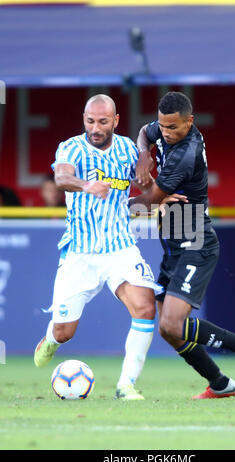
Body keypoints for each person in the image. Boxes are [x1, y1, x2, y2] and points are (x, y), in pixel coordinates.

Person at [130, 91, 235, 399]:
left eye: (173, 128)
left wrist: (116, 202)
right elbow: (145, 132)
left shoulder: (187, 153)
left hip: (194, 238)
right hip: (172, 235)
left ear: (190, 122)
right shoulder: (165, 129)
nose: (166, 134)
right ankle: (220, 384)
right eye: (163, 126)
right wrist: (145, 153)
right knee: (169, 330)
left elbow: (143, 204)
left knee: (172, 322)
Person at [34, 94, 163, 400]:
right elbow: (62, 176)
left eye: (103, 122)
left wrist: (155, 182)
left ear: (115, 121)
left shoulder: (127, 151)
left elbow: (145, 186)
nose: (95, 127)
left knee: (145, 307)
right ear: (84, 118)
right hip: (80, 252)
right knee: (65, 332)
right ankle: (50, 340)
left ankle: (126, 385)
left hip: (120, 247)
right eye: (90, 120)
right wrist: (86, 185)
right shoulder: (71, 147)